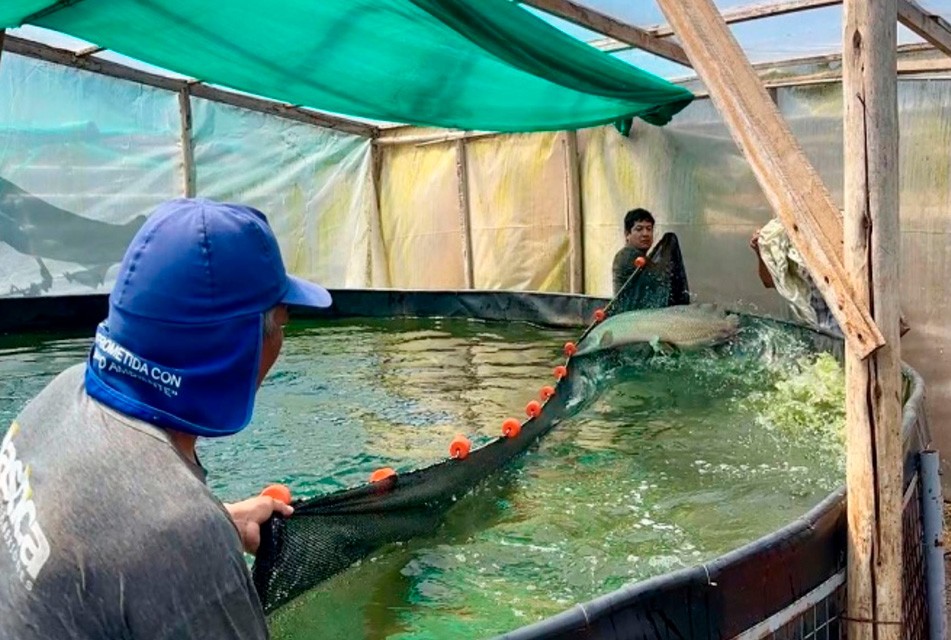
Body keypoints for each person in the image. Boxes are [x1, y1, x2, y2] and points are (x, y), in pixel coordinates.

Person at [0, 198, 333, 639]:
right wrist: (197, 542)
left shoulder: (61, 394)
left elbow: (92, 543)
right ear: (239, 347)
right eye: (282, 323)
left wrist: (218, 525)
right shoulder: (178, 532)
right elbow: (153, 530)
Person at [750, 218, 909, 337]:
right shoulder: (785, 247)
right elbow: (769, 282)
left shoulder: (838, 240)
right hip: (815, 327)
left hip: (852, 328)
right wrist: (761, 253)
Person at [612, 208, 655, 296]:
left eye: (649, 229)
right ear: (627, 234)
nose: (645, 234)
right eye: (639, 229)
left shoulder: (643, 257)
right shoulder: (628, 256)